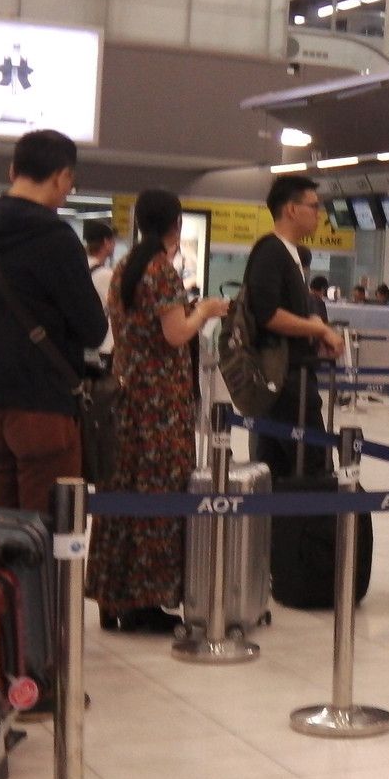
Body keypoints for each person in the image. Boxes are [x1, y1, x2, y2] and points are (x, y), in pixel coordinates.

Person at [0, 130, 107, 513]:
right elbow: (93, 330)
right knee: (47, 529)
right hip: (42, 406)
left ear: (13, 171)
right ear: (62, 177)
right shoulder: (57, 237)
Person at [86, 190, 227, 633]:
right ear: (176, 224)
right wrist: (204, 310)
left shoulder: (124, 268)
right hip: (160, 402)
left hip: (126, 396)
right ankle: (145, 602)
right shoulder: (162, 270)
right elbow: (175, 334)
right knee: (158, 493)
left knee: (121, 491)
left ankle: (111, 594)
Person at [241, 177, 345, 482]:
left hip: (291, 377)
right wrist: (319, 329)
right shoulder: (271, 251)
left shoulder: (290, 253)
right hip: (284, 383)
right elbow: (267, 314)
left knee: (278, 469)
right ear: (291, 209)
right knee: (312, 467)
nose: (319, 214)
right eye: (313, 206)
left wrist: (312, 331)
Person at [83, 219, 116, 367]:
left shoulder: (79, 266)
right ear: (106, 242)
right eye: (113, 241)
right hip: (104, 344)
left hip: (84, 341)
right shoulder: (107, 275)